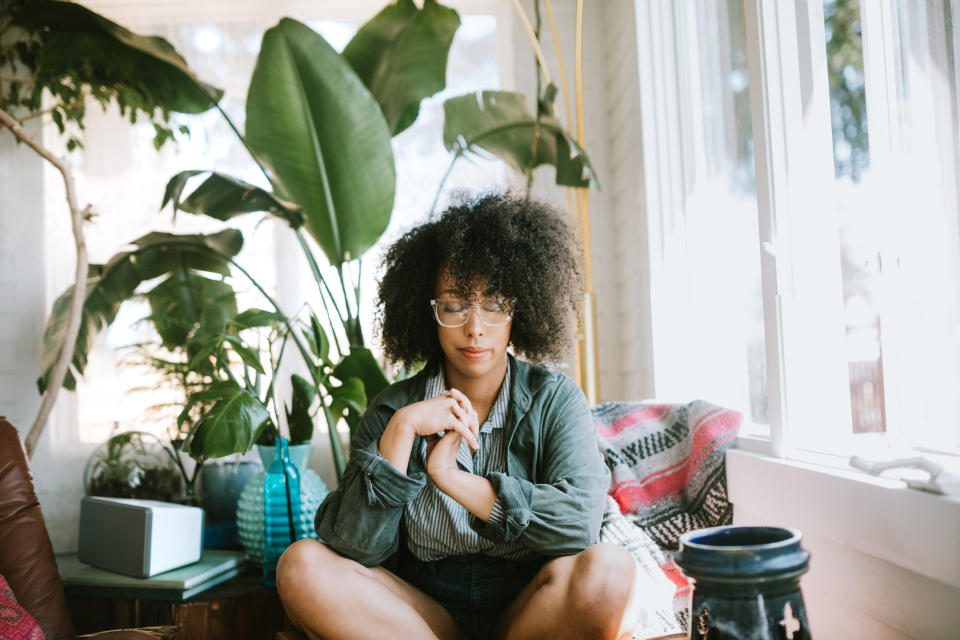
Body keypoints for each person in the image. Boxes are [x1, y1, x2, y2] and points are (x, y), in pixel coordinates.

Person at [276, 194, 642, 640]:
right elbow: (353, 549)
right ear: (427, 311)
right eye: (453, 305)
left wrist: (451, 477)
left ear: (519, 309)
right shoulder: (393, 409)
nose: (474, 327)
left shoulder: (555, 399)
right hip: (420, 616)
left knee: (611, 570)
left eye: (494, 304)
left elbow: (578, 528)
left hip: (528, 610)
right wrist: (401, 432)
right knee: (300, 565)